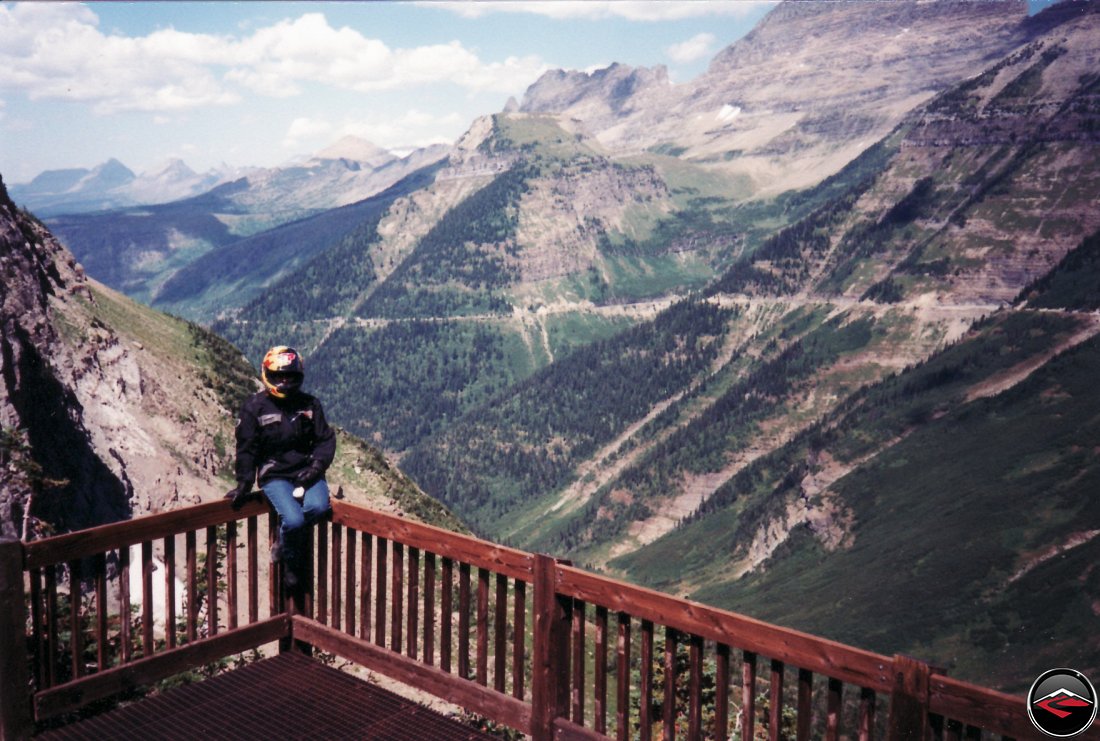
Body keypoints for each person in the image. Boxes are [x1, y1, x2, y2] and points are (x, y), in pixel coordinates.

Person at [226, 345, 335, 587]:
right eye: (279, 376)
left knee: (318, 507)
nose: (285, 381)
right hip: (274, 475)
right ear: (268, 375)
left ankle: (283, 544)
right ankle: (289, 559)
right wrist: (244, 483)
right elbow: (246, 448)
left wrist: (317, 467)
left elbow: (325, 439)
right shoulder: (254, 407)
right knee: (294, 521)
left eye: (290, 376)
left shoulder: (310, 404)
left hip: (307, 472)